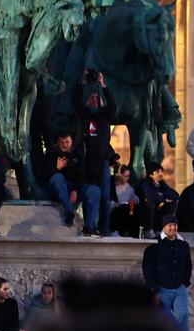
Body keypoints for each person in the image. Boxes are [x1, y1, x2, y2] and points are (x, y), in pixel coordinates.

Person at [73, 70, 117, 236]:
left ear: (100, 102)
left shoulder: (105, 116)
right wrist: (83, 82)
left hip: (102, 161)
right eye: (91, 98)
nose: (93, 100)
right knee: (91, 192)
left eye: (96, 99)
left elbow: (112, 105)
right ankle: (89, 224)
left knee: (106, 196)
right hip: (87, 161)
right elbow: (76, 101)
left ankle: (104, 227)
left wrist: (103, 86)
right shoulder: (84, 115)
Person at [141, 214, 192, 331]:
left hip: (180, 287)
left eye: (174, 225)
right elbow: (148, 268)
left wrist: (185, 282)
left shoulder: (183, 244)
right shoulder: (154, 244)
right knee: (161, 318)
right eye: (169, 225)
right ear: (164, 227)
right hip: (162, 288)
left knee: (183, 315)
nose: (172, 228)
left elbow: (188, 264)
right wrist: (154, 289)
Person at [44, 132, 86, 228]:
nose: (65, 145)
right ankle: (69, 212)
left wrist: (75, 190)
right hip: (56, 187)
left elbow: (81, 176)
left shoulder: (78, 155)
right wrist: (57, 168)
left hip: (72, 186)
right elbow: (45, 176)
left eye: (67, 142)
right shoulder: (52, 154)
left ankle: (90, 227)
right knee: (58, 177)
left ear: (72, 142)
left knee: (94, 190)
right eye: (62, 142)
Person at [139, 163, 179, 238]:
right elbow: (151, 196)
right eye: (158, 171)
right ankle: (148, 230)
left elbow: (175, 195)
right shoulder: (146, 183)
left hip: (155, 213)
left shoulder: (162, 184)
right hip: (143, 214)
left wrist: (164, 197)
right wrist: (164, 198)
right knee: (150, 204)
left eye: (161, 171)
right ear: (151, 174)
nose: (161, 173)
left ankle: (159, 229)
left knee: (173, 203)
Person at [109, 164, 147, 239]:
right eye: (125, 176)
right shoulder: (112, 185)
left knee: (137, 210)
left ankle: (134, 233)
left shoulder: (129, 187)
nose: (127, 178)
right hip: (115, 211)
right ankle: (115, 231)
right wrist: (116, 204)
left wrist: (134, 199)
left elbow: (135, 199)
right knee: (123, 209)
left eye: (128, 176)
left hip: (127, 209)